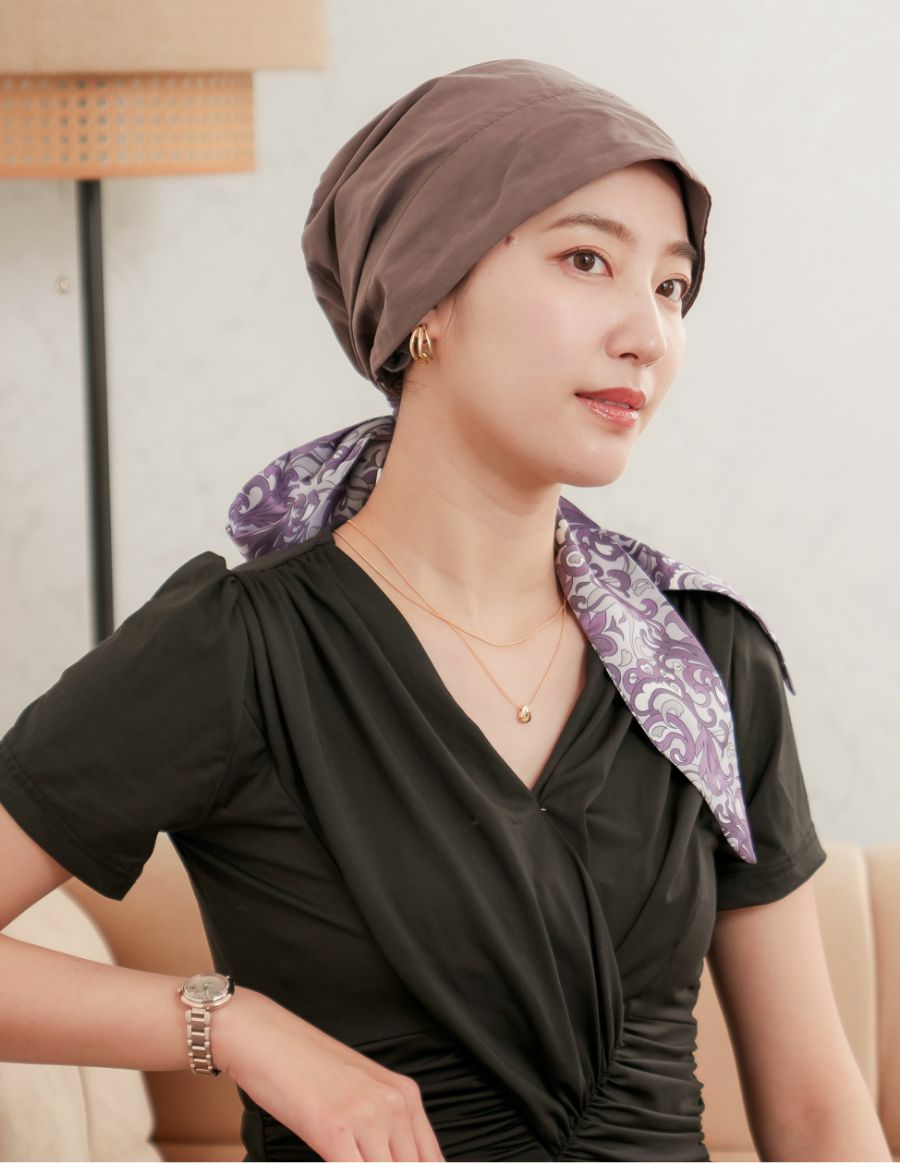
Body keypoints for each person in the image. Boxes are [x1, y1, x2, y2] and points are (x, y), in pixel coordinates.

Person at [0, 58, 890, 1163]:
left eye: (671, 286)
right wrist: (234, 1026)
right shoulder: (238, 651)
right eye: (587, 260)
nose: (649, 334)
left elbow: (816, 1113)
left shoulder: (706, 659)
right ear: (427, 293)